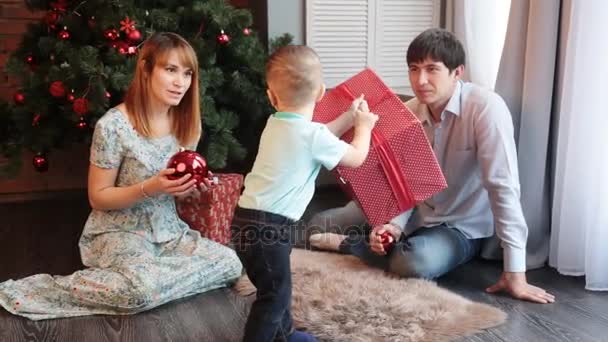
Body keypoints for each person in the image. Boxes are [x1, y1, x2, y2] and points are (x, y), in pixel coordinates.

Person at [0, 32, 242, 320]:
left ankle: (152, 284)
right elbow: (98, 197)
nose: (181, 82)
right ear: (146, 70)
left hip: (169, 232)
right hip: (119, 231)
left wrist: (189, 189)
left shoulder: (187, 123)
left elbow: (175, 194)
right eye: (170, 70)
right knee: (137, 290)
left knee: (229, 263)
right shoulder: (113, 126)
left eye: (187, 73)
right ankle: (36, 291)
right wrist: (150, 187)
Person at [309, 28, 555, 304]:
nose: (420, 80)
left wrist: (515, 271)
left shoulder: (485, 109)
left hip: (461, 224)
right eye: (414, 69)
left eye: (432, 69)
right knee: (318, 226)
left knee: (412, 263)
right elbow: (403, 180)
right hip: (413, 209)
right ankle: (374, 242)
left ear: (457, 72)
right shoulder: (408, 111)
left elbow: (503, 187)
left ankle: (349, 245)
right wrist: (392, 226)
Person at [231, 45, 378, 342]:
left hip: (246, 222)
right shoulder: (314, 136)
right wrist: (363, 127)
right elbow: (356, 157)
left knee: (274, 287)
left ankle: (284, 336)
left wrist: (348, 119)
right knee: (274, 295)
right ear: (321, 92)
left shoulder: (276, 125)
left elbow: (318, 136)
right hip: (270, 229)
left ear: (272, 97)